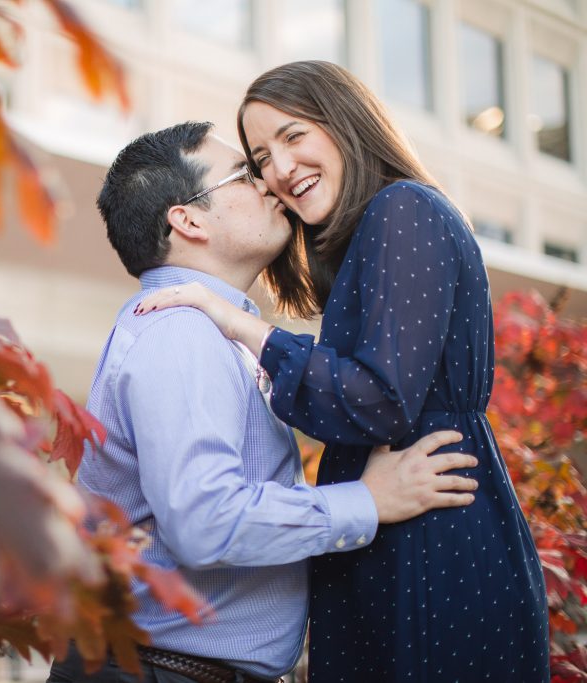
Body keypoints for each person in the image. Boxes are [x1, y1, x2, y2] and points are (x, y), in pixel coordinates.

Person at [137, 62, 549, 682]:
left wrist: (242, 325)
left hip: (432, 529)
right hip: (391, 524)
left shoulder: (403, 207)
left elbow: (381, 399)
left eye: (293, 135)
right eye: (259, 157)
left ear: (345, 122)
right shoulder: (370, 236)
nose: (278, 169)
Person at [48, 121, 479, 683]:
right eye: (246, 174)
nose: (271, 184)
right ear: (189, 219)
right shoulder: (180, 333)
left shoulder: (205, 331)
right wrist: (368, 501)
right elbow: (206, 522)